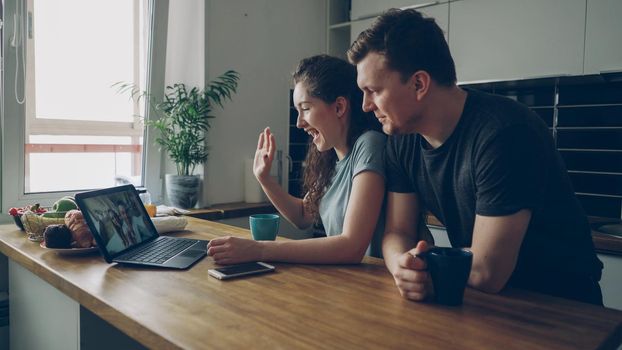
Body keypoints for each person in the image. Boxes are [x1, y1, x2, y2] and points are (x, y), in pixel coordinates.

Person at [347, 9, 603, 305]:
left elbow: (487, 272)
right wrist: (402, 266)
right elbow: (397, 232)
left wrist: (428, 273)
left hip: (562, 309)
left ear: (419, 84)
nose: (366, 105)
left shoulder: (504, 133)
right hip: (480, 302)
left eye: (373, 90)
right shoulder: (402, 139)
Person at [207, 54, 386, 264]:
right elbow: (303, 216)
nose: (300, 123)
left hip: (380, 286)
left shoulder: (370, 144)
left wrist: (260, 249)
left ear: (339, 107)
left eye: (306, 109)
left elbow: (350, 247)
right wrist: (264, 178)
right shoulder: (331, 160)